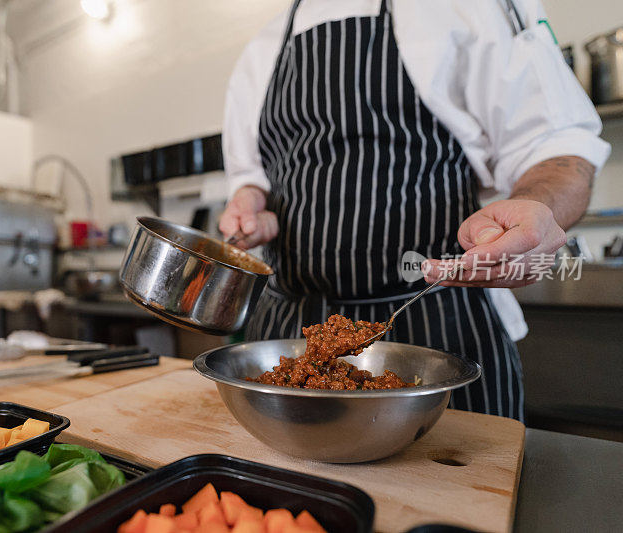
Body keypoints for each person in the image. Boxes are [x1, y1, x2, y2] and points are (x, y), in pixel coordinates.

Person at [219, 0, 610, 421]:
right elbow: (253, 176)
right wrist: (248, 202)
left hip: (441, 327)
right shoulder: (264, 45)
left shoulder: (471, 7)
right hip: (287, 335)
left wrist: (537, 206)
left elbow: (557, 147)